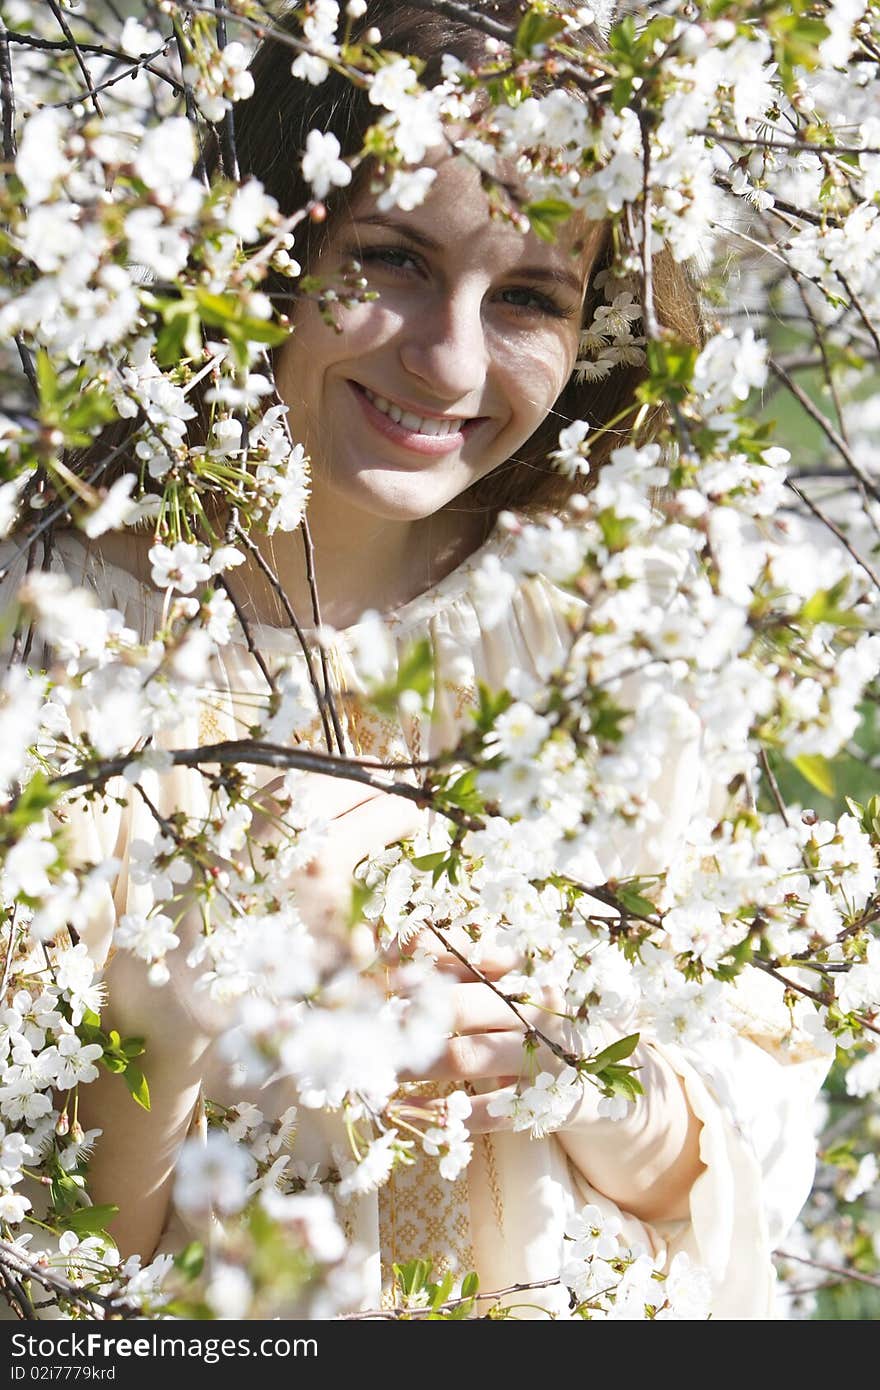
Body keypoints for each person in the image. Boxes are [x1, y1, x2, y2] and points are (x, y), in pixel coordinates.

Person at [3, 0, 831, 1320]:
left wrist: (599, 1088)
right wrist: (157, 1029)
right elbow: (52, 1291)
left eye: (527, 296)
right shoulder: (52, 646)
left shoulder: (618, 629)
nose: (449, 361)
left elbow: (749, 1148)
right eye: (389, 258)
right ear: (270, 236)